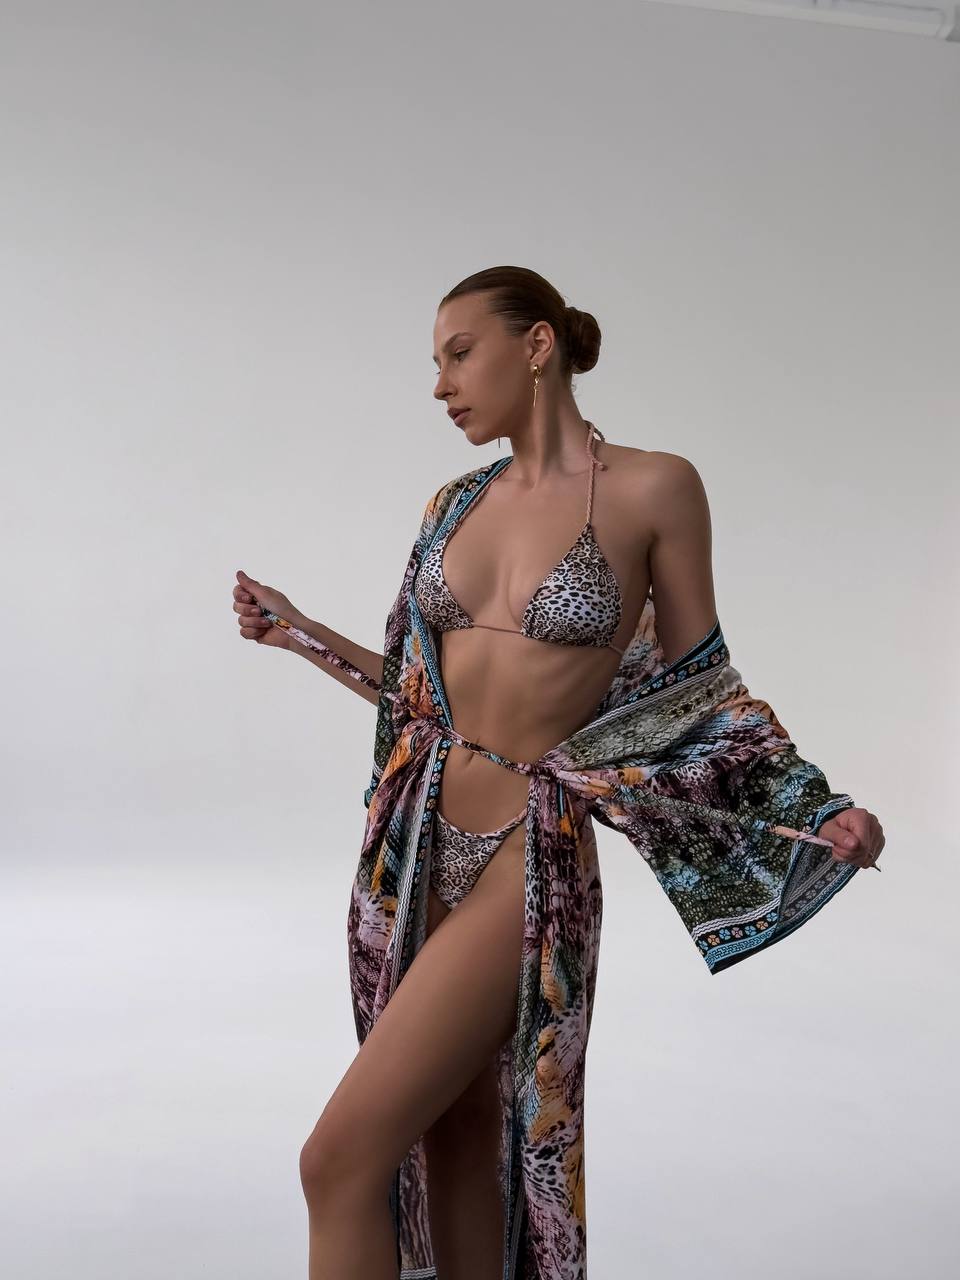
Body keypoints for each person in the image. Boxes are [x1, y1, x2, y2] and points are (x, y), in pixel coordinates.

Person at [231, 265, 884, 1279]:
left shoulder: (655, 488)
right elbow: (416, 703)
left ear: (537, 344)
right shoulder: (454, 504)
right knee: (454, 1140)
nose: (442, 384)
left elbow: (702, 693)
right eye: (436, 362)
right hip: (413, 850)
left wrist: (815, 806)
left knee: (337, 1160)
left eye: (460, 354)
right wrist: (301, 631)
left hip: (525, 861)